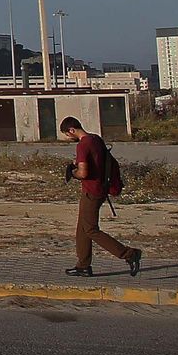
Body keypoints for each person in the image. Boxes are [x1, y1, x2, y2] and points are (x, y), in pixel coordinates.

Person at [60, 116, 141, 277]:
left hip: (92, 191)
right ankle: (83, 265)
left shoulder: (83, 145)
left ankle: (128, 254)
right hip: (101, 189)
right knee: (82, 228)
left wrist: (73, 173)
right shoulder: (95, 139)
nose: (68, 138)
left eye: (67, 134)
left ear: (72, 130)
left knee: (90, 229)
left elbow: (83, 173)